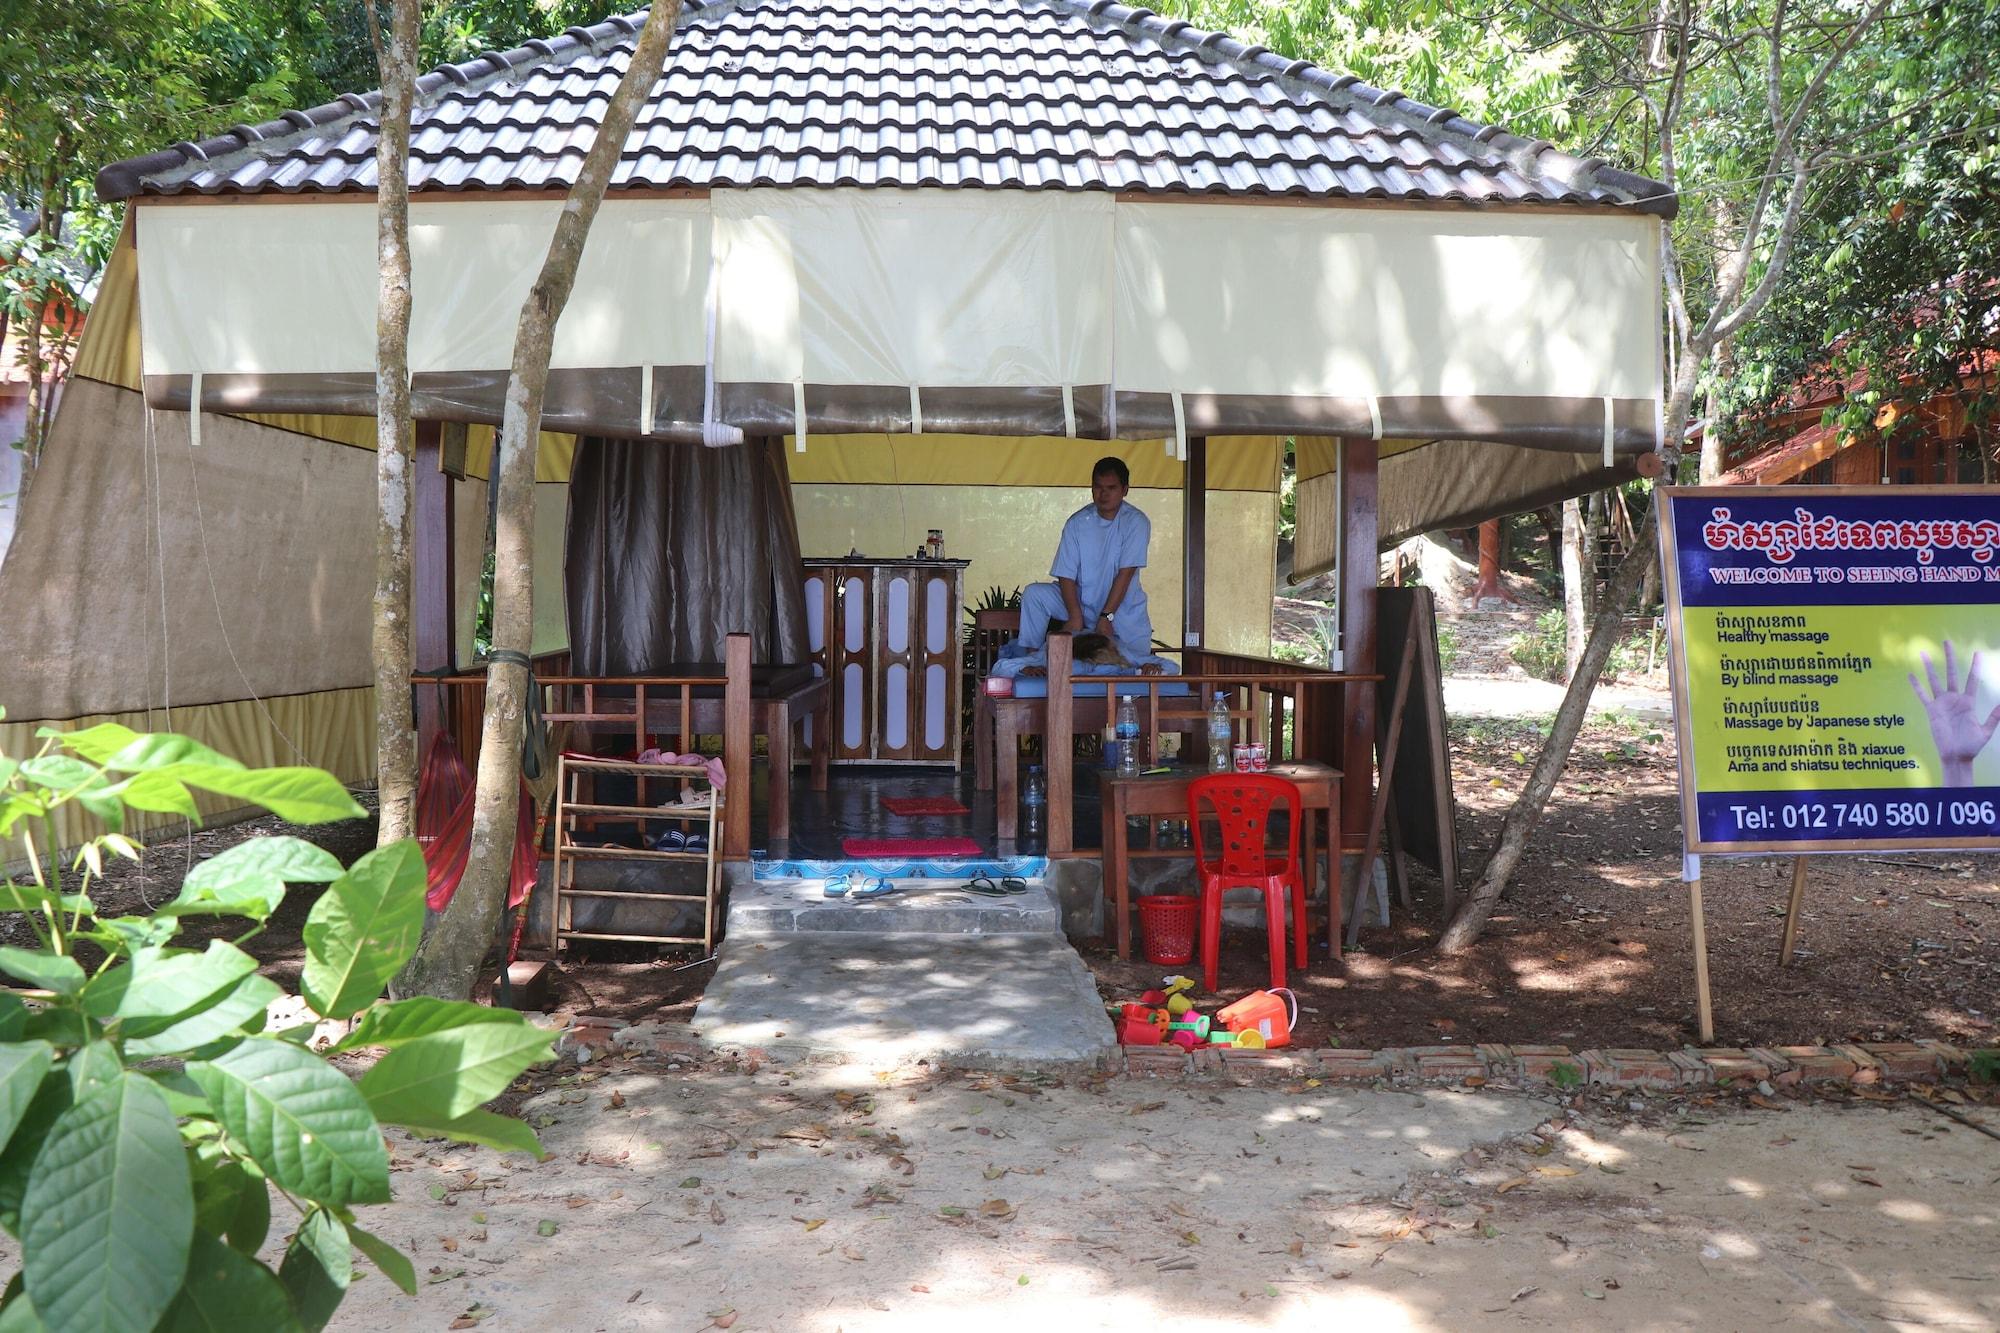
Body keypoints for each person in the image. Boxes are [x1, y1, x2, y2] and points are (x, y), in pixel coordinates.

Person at [1018, 457, 1153, 663]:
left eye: (1111, 488)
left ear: (1125, 490)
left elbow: (1125, 574)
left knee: (1131, 665)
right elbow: (1065, 573)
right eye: (1098, 487)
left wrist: (1106, 616)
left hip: (1122, 611)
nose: (1103, 494)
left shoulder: (1136, 522)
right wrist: (1075, 615)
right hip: (1080, 601)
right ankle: (1032, 659)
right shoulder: (1077, 522)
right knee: (1035, 594)